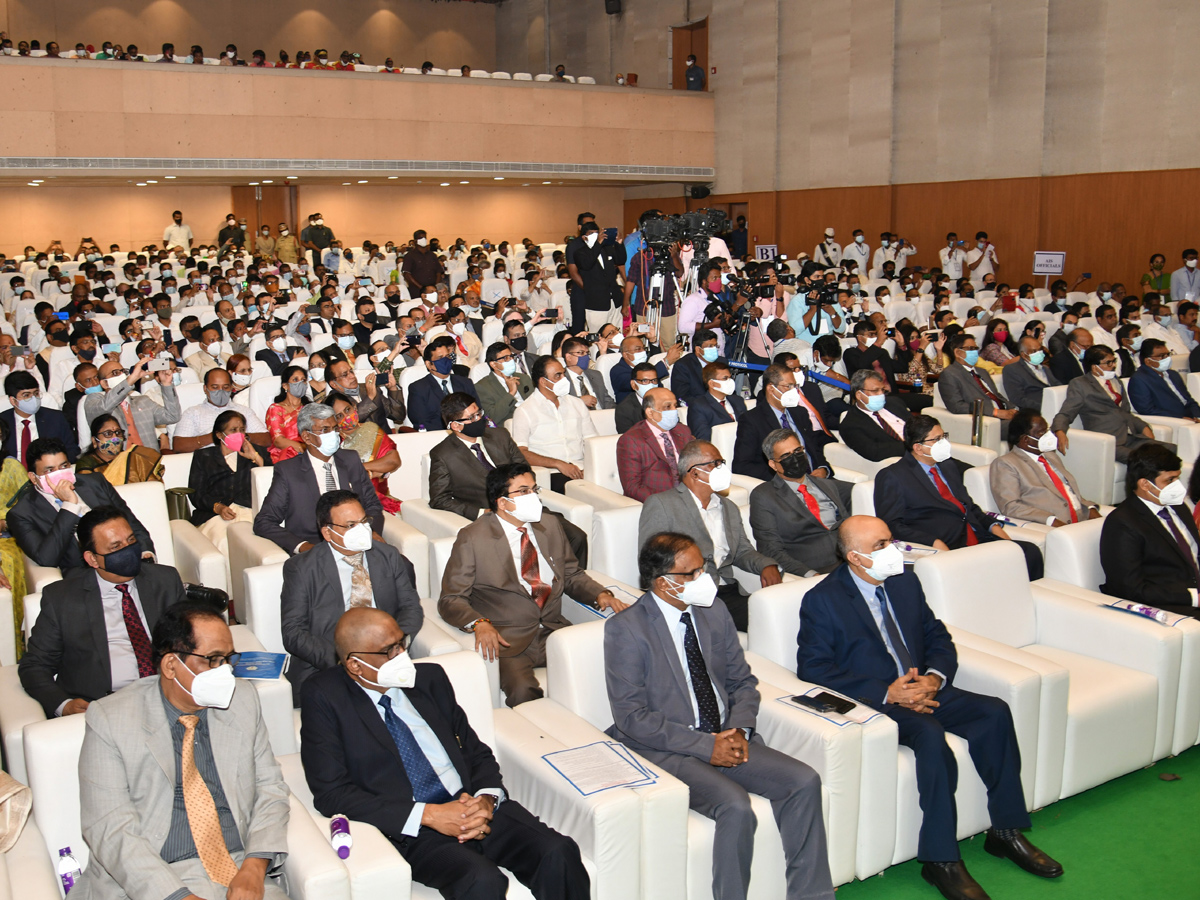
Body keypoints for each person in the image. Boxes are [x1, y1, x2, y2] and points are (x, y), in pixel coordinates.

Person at [799, 516, 1061, 900]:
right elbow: (814, 669)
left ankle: (1005, 832)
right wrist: (889, 692)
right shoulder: (823, 600)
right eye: (880, 546)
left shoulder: (905, 581)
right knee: (930, 736)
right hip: (880, 702)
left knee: (994, 713)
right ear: (855, 557)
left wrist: (934, 679)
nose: (893, 550)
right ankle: (941, 861)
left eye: (891, 540)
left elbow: (935, 633)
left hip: (925, 688)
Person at [300, 607, 591, 899]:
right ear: (355, 665)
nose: (401, 655)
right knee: (483, 880)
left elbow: (475, 750)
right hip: (417, 828)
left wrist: (487, 799)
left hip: (472, 803)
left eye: (402, 643)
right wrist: (429, 815)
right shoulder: (325, 698)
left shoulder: (429, 679)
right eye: (388, 651)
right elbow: (331, 793)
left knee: (559, 852)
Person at [606, 532, 835, 900]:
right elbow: (632, 717)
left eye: (704, 568)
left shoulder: (713, 612)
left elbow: (742, 681)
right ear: (665, 583)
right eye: (694, 572)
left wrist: (738, 730)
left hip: (726, 735)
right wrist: (704, 745)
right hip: (669, 747)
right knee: (735, 806)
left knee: (804, 781)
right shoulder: (626, 629)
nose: (705, 579)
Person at [74, 600, 290, 900]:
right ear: (171, 665)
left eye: (229, 659)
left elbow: (271, 789)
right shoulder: (111, 719)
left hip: (239, 867)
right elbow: (111, 829)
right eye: (213, 659)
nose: (225, 671)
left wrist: (254, 867)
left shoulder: (242, 700)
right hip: (155, 879)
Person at [438, 463, 624, 706]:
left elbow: (571, 574)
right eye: (523, 491)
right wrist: (479, 623)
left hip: (553, 630)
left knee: (609, 668)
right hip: (508, 640)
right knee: (524, 692)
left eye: (534, 489)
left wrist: (600, 595)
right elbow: (451, 599)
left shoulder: (549, 525)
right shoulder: (473, 538)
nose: (533, 496)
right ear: (501, 502)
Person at [19, 507, 187, 717]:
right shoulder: (61, 599)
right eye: (116, 547)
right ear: (92, 559)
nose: (128, 550)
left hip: (167, 696)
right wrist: (64, 705)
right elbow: (34, 666)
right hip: (104, 707)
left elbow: (190, 641)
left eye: (131, 541)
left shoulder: (165, 580)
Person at [281, 492, 421, 704]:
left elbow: (411, 608)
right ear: (328, 533)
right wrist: (344, 661)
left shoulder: (389, 556)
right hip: (331, 666)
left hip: (388, 660)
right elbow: (293, 632)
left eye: (364, 521)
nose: (362, 530)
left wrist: (394, 649)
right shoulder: (301, 568)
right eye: (350, 525)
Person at [874, 415, 1044, 579]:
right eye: (936, 439)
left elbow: (968, 505)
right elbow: (892, 524)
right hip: (949, 546)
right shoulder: (893, 476)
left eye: (943, 437)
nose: (943, 443)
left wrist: (993, 526)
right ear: (918, 447)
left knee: (1029, 552)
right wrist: (933, 542)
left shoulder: (947, 466)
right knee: (996, 569)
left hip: (977, 536)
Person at [431, 394, 589, 565]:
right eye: (472, 418)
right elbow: (439, 498)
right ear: (456, 425)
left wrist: (521, 493)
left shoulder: (500, 436)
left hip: (526, 507)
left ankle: (569, 586)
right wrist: (480, 513)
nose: (479, 419)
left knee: (576, 537)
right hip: (492, 516)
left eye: (479, 413)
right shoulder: (443, 454)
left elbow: (525, 470)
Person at [639, 441, 781, 631]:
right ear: (694, 471)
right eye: (715, 463)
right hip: (689, 598)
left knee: (780, 617)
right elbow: (652, 563)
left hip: (728, 592)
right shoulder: (662, 504)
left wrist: (767, 565)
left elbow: (742, 551)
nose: (721, 468)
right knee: (769, 624)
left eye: (721, 463)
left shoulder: (728, 507)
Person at [253, 403, 384, 555]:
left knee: (402, 565)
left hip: (357, 543)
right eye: (325, 430)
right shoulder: (288, 471)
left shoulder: (351, 460)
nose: (333, 434)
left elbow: (373, 505)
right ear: (307, 437)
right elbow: (264, 521)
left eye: (335, 428)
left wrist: (370, 532)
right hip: (316, 549)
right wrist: (302, 546)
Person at [10, 437, 155, 571]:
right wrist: (69, 505)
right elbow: (47, 558)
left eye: (63, 466)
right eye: (50, 470)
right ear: (33, 478)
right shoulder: (21, 514)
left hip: (129, 560)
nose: (59, 474)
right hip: (86, 578)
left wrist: (145, 554)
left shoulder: (96, 482)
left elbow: (131, 523)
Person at [1096, 443, 1199, 618]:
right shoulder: (1123, 523)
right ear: (1145, 484)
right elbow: (1129, 588)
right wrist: (1192, 597)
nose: (1177, 487)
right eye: (1169, 480)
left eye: (1177, 479)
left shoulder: (1179, 507)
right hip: (1168, 603)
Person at [750, 428, 850, 576]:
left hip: (849, 561)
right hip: (814, 569)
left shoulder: (827, 485)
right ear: (773, 464)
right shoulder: (764, 496)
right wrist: (809, 574)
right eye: (786, 456)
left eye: (798, 451)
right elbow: (770, 549)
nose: (795, 458)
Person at [1051, 346, 1171, 464]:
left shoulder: (1116, 381)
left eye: (1114, 361)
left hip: (1131, 436)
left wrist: (1143, 426)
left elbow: (1125, 412)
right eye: (1108, 363)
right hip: (1109, 441)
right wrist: (1059, 431)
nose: (1113, 365)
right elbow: (1066, 413)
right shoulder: (1080, 384)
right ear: (1094, 367)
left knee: (1171, 451)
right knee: (1147, 461)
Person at [990, 410, 1099, 527]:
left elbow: (1066, 490)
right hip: (1055, 525)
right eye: (1042, 433)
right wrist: (1050, 520)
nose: (1048, 436)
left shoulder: (1051, 456)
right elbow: (1011, 506)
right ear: (1026, 439)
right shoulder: (1006, 464)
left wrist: (1089, 508)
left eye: (1046, 430)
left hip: (1081, 521)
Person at [188, 410, 271, 557]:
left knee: (253, 544)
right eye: (233, 430)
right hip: (215, 515)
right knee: (222, 542)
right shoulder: (204, 457)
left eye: (242, 430)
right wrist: (217, 507)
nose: (239, 434)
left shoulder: (257, 452)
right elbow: (196, 493)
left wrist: (255, 458)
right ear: (220, 435)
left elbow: (272, 481)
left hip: (249, 511)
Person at [732, 363, 833, 482]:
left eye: (795, 386)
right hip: (785, 485)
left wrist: (823, 468)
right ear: (771, 389)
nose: (794, 391)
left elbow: (814, 448)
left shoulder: (800, 413)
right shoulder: (752, 420)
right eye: (788, 386)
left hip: (816, 480)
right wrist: (782, 477)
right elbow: (742, 466)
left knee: (852, 494)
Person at [510, 356, 597, 492]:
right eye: (558, 376)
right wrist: (558, 464)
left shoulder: (577, 404)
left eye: (563, 373)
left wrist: (591, 467)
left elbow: (592, 441)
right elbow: (521, 452)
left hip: (582, 468)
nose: (564, 379)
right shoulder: (525, 411)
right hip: (551, 473)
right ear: (543, 382)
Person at [330, 391, 402, 514]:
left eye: (347, 410)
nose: (346, 417)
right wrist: (374, 470)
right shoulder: (334, 442)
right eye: (339, 416)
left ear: (354, 407)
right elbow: (341, 475)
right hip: (350, 503)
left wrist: (360, 468)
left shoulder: (371, 430)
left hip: (382, 498)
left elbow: (393, 461)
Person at [617, 387, 694, 502]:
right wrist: (669, 501)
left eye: (675, 405)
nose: (674, 410)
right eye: (668, 407)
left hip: (690, 496)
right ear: (650, 412)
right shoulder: (631, 440)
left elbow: (697, 465)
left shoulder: (682, 431)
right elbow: (632, 487)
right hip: (659, 502)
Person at [937, 332, 1014, 440]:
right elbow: (957, 406)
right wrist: (995, 412)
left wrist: (1012, 409)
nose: (975, 352)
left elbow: (995, 395)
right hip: (987, 420)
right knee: (1027, 426)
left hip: (1005, 416)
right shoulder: (949, 374)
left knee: (1032, 420)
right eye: (970, 348)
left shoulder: (982, 372)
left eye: (975, 348)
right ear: (958, 352)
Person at [173, 368, 268, 453]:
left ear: (231, 388)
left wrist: (239, 436)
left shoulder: (244, 411)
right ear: (205, 389)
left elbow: (266, 439)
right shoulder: (193, 413)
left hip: (241, 459)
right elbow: (178, 445)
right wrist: (215, 436)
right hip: (208, 461)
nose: (221, 391)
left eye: (225, 387)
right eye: (215, 387)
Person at [2, 370, 76, 463]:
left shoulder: (56, 418)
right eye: (26, 395)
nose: (33, 398)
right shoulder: (2, 422)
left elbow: (71, 450)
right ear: (13, 400)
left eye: (36, 393)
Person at [838, 370, 912, 462]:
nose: (881, 394)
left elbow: (916, 424)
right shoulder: (850, 424)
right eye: (875, 391)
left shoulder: (894, 403)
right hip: (904, 459)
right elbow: (874, 451)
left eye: (882, 390)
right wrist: (913, 446)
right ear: (859, 395)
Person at [407, 339, 479, 432]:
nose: (445, 360)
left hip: (469, 431)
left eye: (447, 356)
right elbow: (421, 422)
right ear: (429, 364)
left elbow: (477, 411)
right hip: (438, 435)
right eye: (440, 358)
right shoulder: (418, 389)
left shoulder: (465, 383)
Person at [75, 413, 164, 483]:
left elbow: (153, 486)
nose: (115, 438)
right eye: (108, 433)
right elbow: (90, 492)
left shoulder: (131, 459)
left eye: (118, 433)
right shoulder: (86, 463)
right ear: (94, 441)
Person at [573, 222, 627, 332]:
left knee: (617, 334)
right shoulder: (580, 253)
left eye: (597, 232)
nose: (596, 235)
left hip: (614, 301)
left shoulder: (606, 249)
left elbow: (621, 260)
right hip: (596, 303)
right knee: (597, 336)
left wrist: (619, 243)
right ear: (584, 237)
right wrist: (598, 243)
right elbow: (587, 264)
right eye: (591, 233)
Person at [1128, 339, 1200, 421]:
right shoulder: (1139, 380)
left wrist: (1197, 416)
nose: (1167, 358)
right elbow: (1147, 410)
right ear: (1148, 361)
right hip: (1174, 420)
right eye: (1162, 356)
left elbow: (1189, 400)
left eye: (1167, 354)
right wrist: (1181, 418)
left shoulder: (1173, 374)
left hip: (1192, 417)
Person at [474, 342, 533, 427]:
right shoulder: (482, 387)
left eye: (511, 357)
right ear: (493, 364)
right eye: (505, 358)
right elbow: (492, 417)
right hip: (512, 427)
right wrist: (511, 393)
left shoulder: (524, 378)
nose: (511, 360)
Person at [687, 361, 747, 442]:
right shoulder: (699, 406)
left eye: (730, 378)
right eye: (725, 378)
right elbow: (703, 438)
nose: (730, 382)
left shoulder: (738, 401)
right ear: (711, 383)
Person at [1002, 335, 1060, 412]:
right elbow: (1018, 399)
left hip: (1056, 406)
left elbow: (1059, 386)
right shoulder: (1012, 369)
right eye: (1034, 351)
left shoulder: (1045, 368)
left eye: (1040, 350)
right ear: (1023, 354)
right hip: (1034, 411)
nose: (1039, 353)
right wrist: (1046, 407)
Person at [264, 366, 308, 463]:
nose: (300, 383)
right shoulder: (275, 409)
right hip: (285, 455)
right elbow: (278, 441)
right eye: (295, 380)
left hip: (310, 452)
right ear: (285, 386)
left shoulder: (309, 409)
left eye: (303, 380)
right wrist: (302, 448)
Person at [671, 328, 724, 403]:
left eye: (715, 346)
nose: (714, 349)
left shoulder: (722, 362)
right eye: (710, 346)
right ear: (698, 350)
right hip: (698, 407)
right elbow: (682, 397)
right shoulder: (683, 366)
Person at [614, 362, 659, 434]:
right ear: (633, 384)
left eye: (654, 380)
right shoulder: (624, 409)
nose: (651, 384)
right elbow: (629, 439)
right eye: (645, 381)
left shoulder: (664, 401)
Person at [400, 229, 444, 299]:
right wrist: (421, 288)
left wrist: (435, 286)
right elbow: (407, 274)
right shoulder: (410, 256)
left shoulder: (432, 255)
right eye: (420, 238)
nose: (423, 240)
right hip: (417, 291)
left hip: (434, 290)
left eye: (424, 238)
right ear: (415, 241)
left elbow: (438, 272)